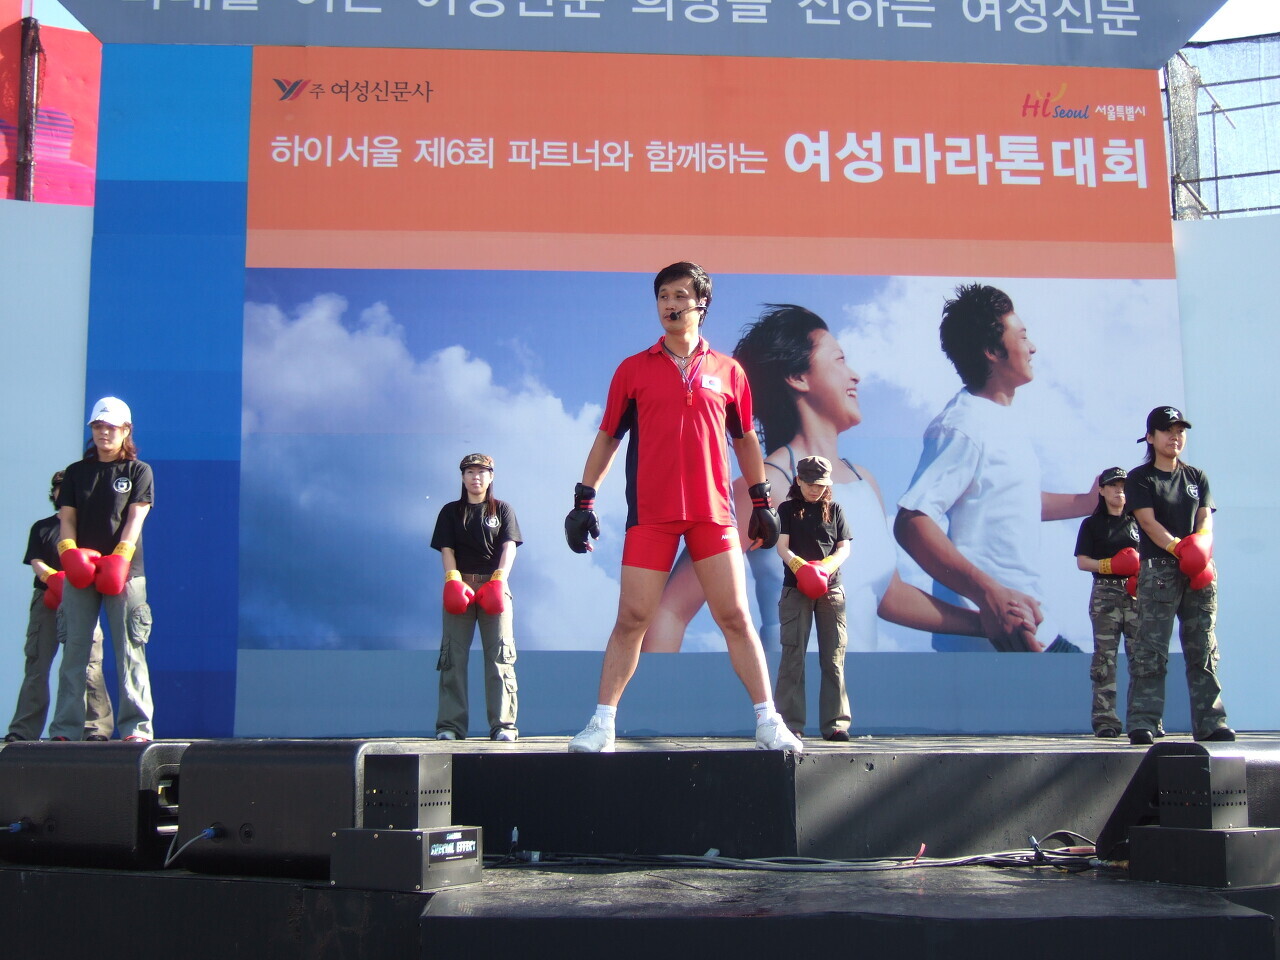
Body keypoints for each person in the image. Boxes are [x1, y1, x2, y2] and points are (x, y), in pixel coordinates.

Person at [644, 303, 994, 668]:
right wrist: (651, 698)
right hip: (789, 695)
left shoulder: (865, 482)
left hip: (858, 695)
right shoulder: (762, 487)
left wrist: (988, 624)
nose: (855, 376)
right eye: (839, 360)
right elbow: (671, 611)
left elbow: (889, 596)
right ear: (798, 377)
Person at [563, 262, 801, 753]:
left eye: (680, 296)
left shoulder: (729, 372)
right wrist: (584, 498)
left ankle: (768, 721)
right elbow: (608, 438)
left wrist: (761, 499)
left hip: (714, 516)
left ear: (701, 304)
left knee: (735, 617)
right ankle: (602, 724)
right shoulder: (633, 369)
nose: (670, 304)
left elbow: (745, 440)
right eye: (663, 296)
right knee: (633, 618)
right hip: (651, 515)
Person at [894, 283, 1095, 653]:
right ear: (992, 351)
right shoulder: (962, 424)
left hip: (1032, 626)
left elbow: (1013, 498)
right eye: (1023, 336)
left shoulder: (998, 419)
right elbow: (912, 522)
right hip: (995, 636)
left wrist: (1089, 502)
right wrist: (989, 596)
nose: (1032, 348)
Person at [1123, 406, 1233, 745]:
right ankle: (1144, 721)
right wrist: (1179, 549)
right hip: (1161, 570)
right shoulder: (1140, 478)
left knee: (1203, 647)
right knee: (1151, 649)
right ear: (1151, 437)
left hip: (1198, 570)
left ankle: (1211, 722)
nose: (1175, 437)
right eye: (1168, 431)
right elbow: (1147, 522)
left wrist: (1200, 546)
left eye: (1180, 431)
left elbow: (1205, 516)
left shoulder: (1196, 476)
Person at [48, 397, 155, 742]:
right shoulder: (76, 472)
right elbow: (67, 518)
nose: (103, 432)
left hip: (124, 572)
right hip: (81, 571)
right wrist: (68, 551)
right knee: (75, 651)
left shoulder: (138, 471)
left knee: (129, 650)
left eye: (111, 427)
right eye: (97, 426)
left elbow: (137, 516)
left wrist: (121, 555)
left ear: (126, 430)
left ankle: (136, 729)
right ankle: (65, 729)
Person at [5, 470, 113, 742]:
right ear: (53, 493)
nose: (63, 493)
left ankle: (96, 728)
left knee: (90, 665)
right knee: (37, 665)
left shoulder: (92, 529)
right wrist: (52, 579)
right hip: (47, 599)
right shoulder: (42, 527)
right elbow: (36, 560)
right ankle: (23, 731)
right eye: (59, 488)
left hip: (84, 601)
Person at [431, 453, 522, 742]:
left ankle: (503, 725)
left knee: (500, 656)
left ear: (491, 476)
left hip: (494, 586)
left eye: (481, 472)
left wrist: (500, 579)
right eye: (470, 472)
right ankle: (450, 726)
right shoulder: (450, 512)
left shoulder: (503, 510)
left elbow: (509, 546)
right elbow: (447, 549)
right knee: (452, 658)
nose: (476, 477)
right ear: (462, 477)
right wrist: (452, 579)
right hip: (460, 586)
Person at [774, 456, 853, 741]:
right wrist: (801, 568)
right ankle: (789, 724)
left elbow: (844, 548)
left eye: (820, 485)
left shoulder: (835, 509)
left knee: (834, 657)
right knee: (793, 656)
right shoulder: (786, 509)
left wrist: (824, 568)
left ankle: (836, 724)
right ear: (798, 480)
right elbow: (782, 547)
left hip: (831, 590)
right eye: (809, 484)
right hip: (796, 589)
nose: (814, 489)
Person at [1073, 467, 1141, 739]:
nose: (1118, 490)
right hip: (1105, 592)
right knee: (1105, 659)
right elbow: (1082, 562)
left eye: (1122, 485)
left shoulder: (1138, 522)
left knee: (1142, 658)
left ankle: (1144, 720)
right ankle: (1105, 720)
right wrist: (1109, 565)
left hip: (1136, 593)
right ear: (1101, 490)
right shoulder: (1092, 524)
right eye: (1113, 485)